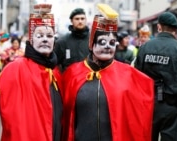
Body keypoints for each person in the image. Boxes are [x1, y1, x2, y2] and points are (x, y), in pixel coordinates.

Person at [61, 4, 154, 141]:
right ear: (91, 44)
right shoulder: (73, 73)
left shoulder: (128, 74)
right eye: (102, 42)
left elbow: (144, 102)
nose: (107, 47)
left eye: (112, 42)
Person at [0, 4, 62, 141]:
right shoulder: (15, 69)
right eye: (40, 35)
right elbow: (10, 119)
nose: (45, 39)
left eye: (49, 35)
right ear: (31, 40)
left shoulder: (55, 73)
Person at [134, 11, 177, 141]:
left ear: (159, 27)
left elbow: (136, 77)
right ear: (175, 29)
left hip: (148, 105)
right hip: (173, 107)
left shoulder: (145, 47)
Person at [54, 7, 89, 72]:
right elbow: (55, 65)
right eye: (77, 19)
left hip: (90, 79)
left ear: (86, 20)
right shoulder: (62, 42)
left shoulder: (93, 40)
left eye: (82, 18)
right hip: (69, 80)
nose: (80, 21)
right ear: (71, 21)